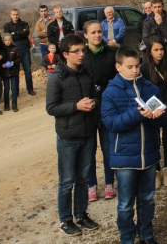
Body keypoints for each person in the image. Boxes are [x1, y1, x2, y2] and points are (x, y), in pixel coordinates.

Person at [102, 46, 166, 244]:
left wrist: (156, 117)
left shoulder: (150, 88)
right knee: (125, 203)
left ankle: (146, 234)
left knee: (147, 199)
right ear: (118, 66)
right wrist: (136, 114)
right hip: (125, 157)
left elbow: (159, 122)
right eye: (129, 67)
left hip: (148, 155)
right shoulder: (110, 93)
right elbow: (110, 123)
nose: (135, 71)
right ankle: (127, 238)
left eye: (137, 66)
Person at [45, 34, 100, 236]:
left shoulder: (86, 73)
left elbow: (95, 95)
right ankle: (66, 219)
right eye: (76, 51)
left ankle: (81, 214)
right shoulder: (57, 78)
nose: (81, 54)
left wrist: (94, 102)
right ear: (65, 54)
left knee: (83, 178)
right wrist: (76, 106)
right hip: (68, 135)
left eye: (82, 50)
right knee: (67, 180)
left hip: (87, 132)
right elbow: (51, 108)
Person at [82, 20, 118, 202]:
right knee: (89, 149)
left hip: (107, 107)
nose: (97, 35)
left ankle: (110, 182)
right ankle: (91, 185)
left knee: (107, 147)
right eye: (93, 32)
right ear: (86, 35)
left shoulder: (112, 53)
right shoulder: (82, 57)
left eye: (99, 32)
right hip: (88, 110)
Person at [141, 37, 167, 188]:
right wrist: (154, 108)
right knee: (154, 140)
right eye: (156, 50)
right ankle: (156, 171)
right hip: (153, 109)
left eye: (161, 49)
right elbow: (143, 90)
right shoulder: (144, 68)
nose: (159, 53)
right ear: (150, 51)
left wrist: (166, 105)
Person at [4, 9, 35, 95]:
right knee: (15, 71)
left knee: (27, 70)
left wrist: (15, 33)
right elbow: (8, 37)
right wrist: (19, 34)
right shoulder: (7, 25)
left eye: (17, 14)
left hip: (25, 49)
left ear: (19, 15)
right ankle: (16, 91)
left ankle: (30, 89)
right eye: (13, 14)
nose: (15, 16)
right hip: (13, 51)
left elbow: (26, 33)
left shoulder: (24, 24)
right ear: (10, 15)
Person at [142, 0, 167, 65]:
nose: (157, 9)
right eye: (155, 7)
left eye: (159, 6)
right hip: (154, 58)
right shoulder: (147, 23)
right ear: (152, 8)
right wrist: (164, 40)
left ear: (163, 7)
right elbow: (146, 40)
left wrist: (161, 24)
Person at [0, 33, 21, 112]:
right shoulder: (1, 49)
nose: (7, 42)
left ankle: (14, 104)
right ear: (3, 41)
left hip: (14, 70)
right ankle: (6, 105)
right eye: (6, 40)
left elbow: (19, 59)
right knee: (6, 88)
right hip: (5, 71)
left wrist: (13, 63)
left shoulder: (15, 48)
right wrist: (2, 65)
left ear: (11, 40)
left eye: (9, 40)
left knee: (14, 88)